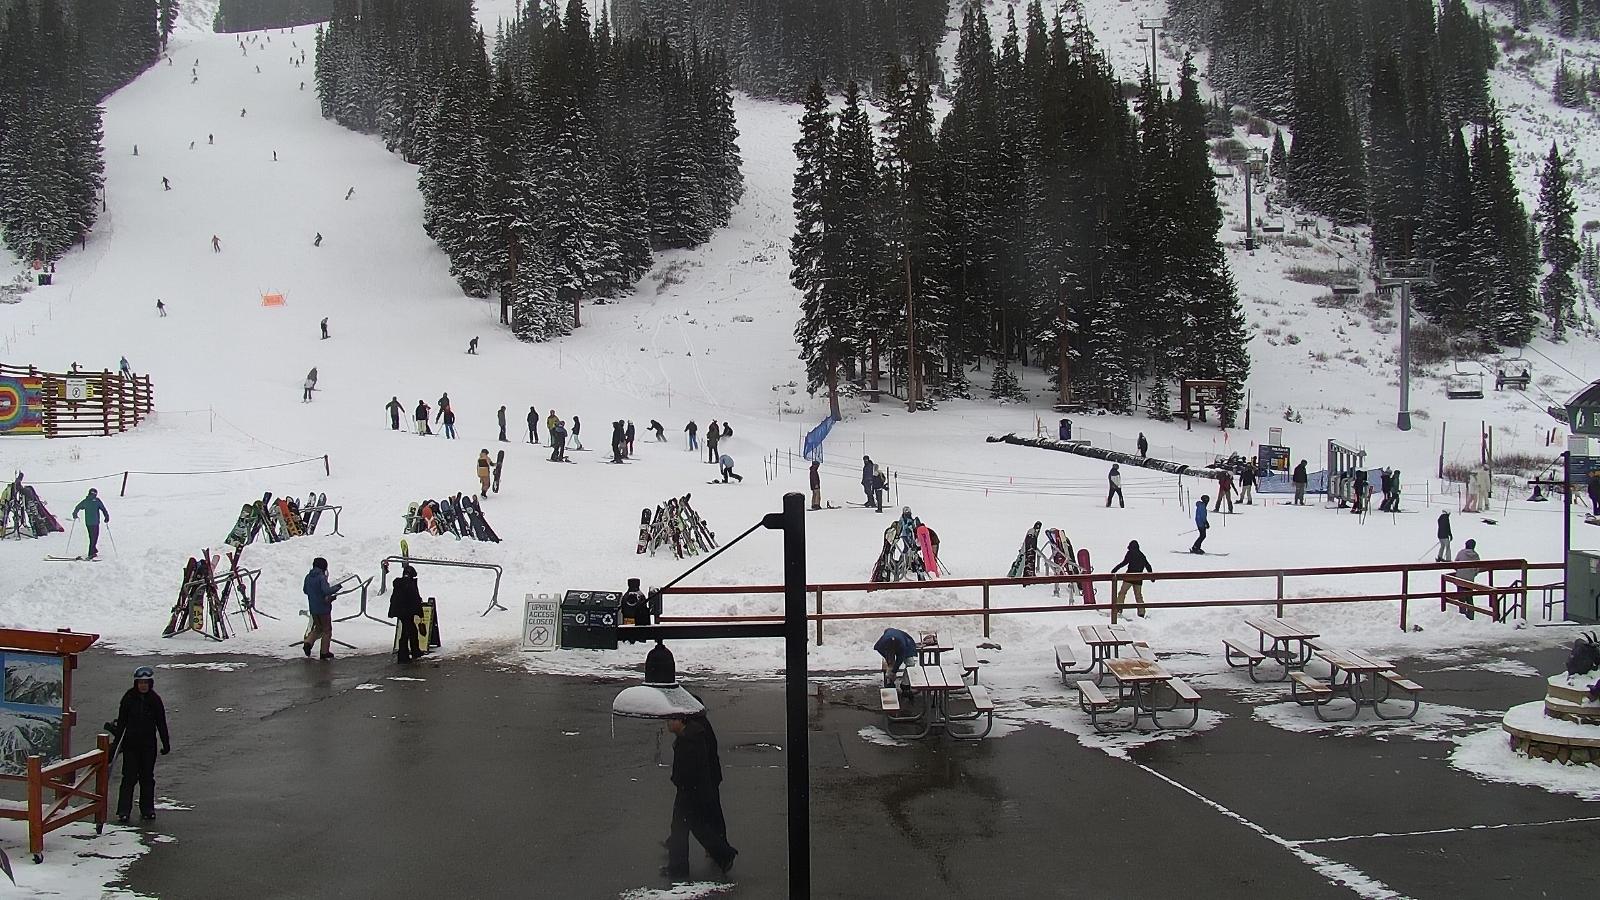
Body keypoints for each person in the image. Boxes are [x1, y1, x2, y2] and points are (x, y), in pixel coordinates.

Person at [662, 712, 737, 882]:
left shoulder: (690, 740)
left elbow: (689, 770)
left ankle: (722, 855)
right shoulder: (690, 735)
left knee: (687, 827)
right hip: (692, 790)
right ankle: (681, 866)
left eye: (671, 720)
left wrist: (677, 780)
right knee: (688, 827)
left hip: (691, 791)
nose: (667, 723)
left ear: (682, 720)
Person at [107, 666, 170, 824]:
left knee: (147, 778)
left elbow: (161, 722)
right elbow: (122, 723)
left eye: (146, 682)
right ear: (136, 683)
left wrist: (166, 742)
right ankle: (123, 811)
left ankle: (147, 809)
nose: (143, 685)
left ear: (150, 683)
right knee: (128, 778)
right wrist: (117, 744)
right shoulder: (129, 698)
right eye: (140, 682)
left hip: (148, 745)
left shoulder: (154, 700)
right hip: (131, 745)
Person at [301, 557, 340, 659]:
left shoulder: (308, 577)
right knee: (327, 630)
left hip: (313, 608)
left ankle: (308, 643)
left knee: (318, 628)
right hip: (324, 607)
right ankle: (324, 652)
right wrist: (337, 587)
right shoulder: (321, 577)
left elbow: (305, 590)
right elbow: (326, 591)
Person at [388, 564, 424, 662]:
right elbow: (415, 599)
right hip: (407, 612)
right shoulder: (410, 584)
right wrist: (420, 613)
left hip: (401, 612)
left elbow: (394, 599)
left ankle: (414, 651)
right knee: (407, 633)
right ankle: (403, 655)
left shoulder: (398, 583)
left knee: (411, 631)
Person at [1110, 540, 1154, 617]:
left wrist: (1115, 569)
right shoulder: (1142, 555)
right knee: (1138, 595)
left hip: (1129, 577)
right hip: (1138, 578)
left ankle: (1118, 608)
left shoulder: (1130, 553)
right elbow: (1148, 566)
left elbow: (1124, 563)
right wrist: (1151, 576)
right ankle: (1141, 612)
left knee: (1122, 592)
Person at [72, 488, 110, 560]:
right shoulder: (97, 501)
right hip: (95, 522)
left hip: (88, 523)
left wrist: (75, 514)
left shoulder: (86, 501)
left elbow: (78, 507)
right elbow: (103, 509)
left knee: (92, 537)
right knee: (94, 538)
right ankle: (91, 553)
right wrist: (106, 517)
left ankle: (93, 550)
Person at [1454, 539, 1482, 619]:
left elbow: (1455, 563)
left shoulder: (1461, 552)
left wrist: (1459, 571)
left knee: (1461, 596)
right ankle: (1471, 614)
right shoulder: (1476, 555)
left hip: (1460, 578)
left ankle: (1462, 614)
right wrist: (1472, 574)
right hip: (1470, 579)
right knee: (1469, 596)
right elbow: (1478, 568)